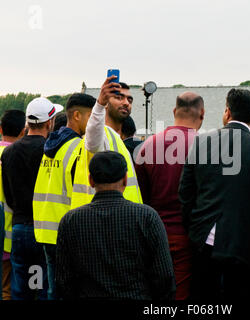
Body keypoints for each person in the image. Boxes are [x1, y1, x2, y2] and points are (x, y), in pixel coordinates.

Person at [179, 88, 250, 301]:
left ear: (227, 112)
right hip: (246, 243)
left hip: (204, 237)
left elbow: (186, 192)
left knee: (203, 297)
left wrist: (193, 227)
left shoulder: (201, 142)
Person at [56, 151, 175, 300]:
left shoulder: (70, 221)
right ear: (125, 179)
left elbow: (63, 279)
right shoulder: (147, 217)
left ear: (91, 180)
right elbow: (164, 276)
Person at [135, 92, 205, 300]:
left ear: (174, 111)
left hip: (153, 231)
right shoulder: (207, 148)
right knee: (182, 292)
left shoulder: (146, 147)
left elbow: (141, 194)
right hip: (190, 234)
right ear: (202, 114)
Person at [32, 93, 96, 300]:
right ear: (77, 115)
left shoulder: (50, 145)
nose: (95, 123)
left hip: (46, 228)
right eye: (92, 117)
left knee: (54, 290)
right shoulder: (78, 147)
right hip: (67, 231)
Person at [1, 98, 63, 300]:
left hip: (19, 229)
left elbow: (9, 196)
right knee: (45, 289)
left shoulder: (9, 152)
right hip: (45, 230)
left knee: (22, 290)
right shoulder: (52, 152)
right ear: (49, 123)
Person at [70, 76, 142, 210]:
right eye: (119, 97)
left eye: (129, 99)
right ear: (106, 103)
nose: (126, 102)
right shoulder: (100, 135)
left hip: (125, 218)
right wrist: (99, 105)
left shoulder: (116, 139)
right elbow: (93, 141)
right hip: (104, 220)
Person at [0, 110, 25, 300]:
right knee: (8, 289)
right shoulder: (19, 156)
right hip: (10, 235)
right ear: (23, 131)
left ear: (1, 129)